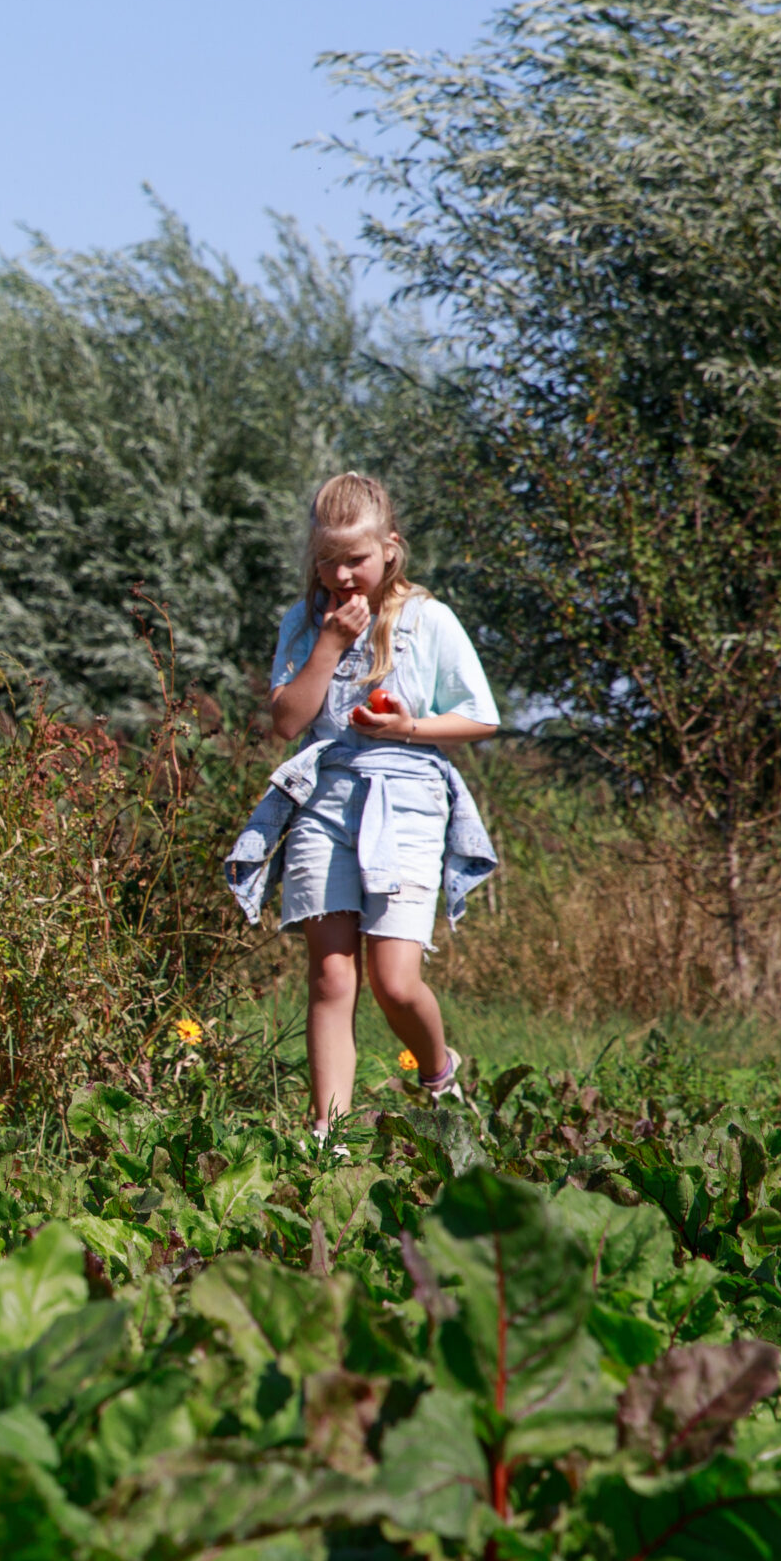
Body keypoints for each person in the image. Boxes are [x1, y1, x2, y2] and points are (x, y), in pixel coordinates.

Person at [225, 471, 502, 1135]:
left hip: (406, 797)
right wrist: (327, 645)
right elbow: (287, 723)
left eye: (357, 559)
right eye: (329, 562)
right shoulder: (305, 622)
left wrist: (408, 725)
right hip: (324, 796)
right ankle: (327, 1135)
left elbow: (481, 718)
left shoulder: (428, 619)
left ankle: (439, 1073)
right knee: (329, 973)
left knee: (395, 980)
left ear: (390, 549)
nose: (344, 575)